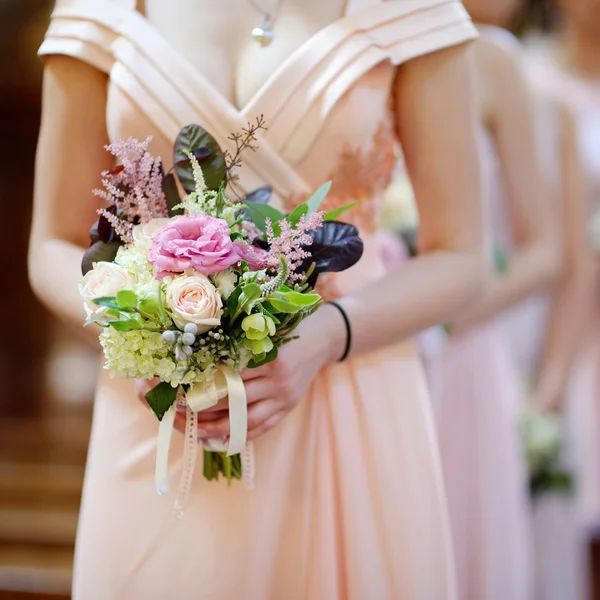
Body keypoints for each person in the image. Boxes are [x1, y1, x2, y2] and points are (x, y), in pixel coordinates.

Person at [29, 0, 485, 598]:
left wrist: (327, 335)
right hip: (161, 405)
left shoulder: (412, 10)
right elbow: (52, 244)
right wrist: (140, 331)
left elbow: (462, 255)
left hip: (344, 390)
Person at [426, 1, 564, 598]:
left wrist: (439, 314)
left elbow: (546, 250)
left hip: (459, 355)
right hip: (360, 351)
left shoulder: (490, 60)